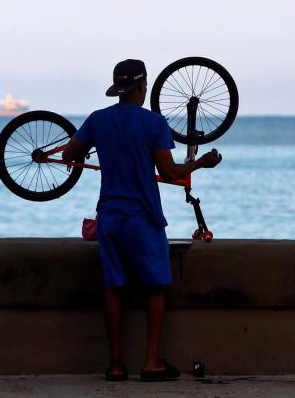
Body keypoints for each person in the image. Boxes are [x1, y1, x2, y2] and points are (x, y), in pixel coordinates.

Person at [61, 59, 221, 382]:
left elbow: (68, 155)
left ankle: (116, 365)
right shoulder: (154, 123)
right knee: (156, 288)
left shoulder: (98, 120)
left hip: (109, 217)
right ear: (142, 86)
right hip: (143, 218)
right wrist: (202, 163)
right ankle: (151, 362)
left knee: (113, 288)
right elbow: (170, 172)